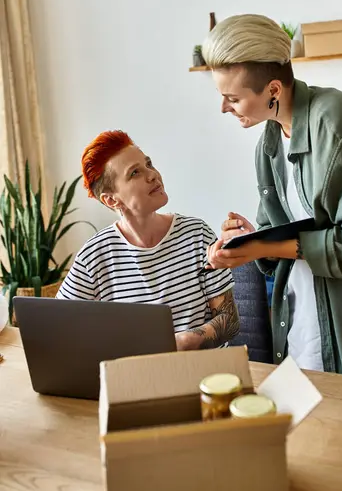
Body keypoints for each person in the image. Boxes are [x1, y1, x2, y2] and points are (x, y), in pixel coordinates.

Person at [202, 14, 342, 374]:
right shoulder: (269, 143)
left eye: (233, 98)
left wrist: (263, 247)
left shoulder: (341, 122)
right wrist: (249, 239)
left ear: (273, 90)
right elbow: (279, 236)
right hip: (303, 323)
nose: (224, 108)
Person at [56, 130, 238, 351]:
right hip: (136, 378)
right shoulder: (94, 256)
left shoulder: (196, 234)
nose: (152, 175)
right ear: (112, 200)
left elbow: (229, 321)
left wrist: (182, 342)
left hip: (207, 377)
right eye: (134, 173)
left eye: (148, 164)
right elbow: (61, 330)